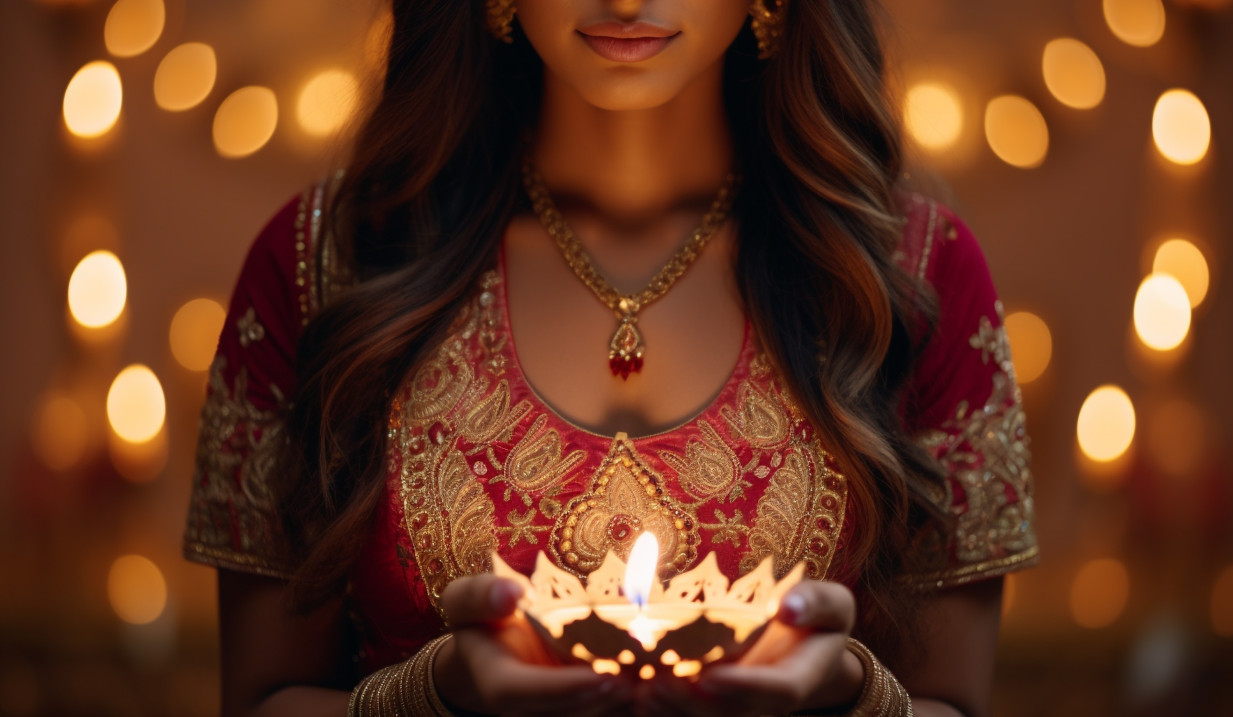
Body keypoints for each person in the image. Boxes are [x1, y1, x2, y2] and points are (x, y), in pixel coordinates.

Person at [182, 1, 1037, 715]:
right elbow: (260, 699)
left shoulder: (906, 278)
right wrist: (432, 694)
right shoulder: (328, 266)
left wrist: (849, 689)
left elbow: (952, 701)